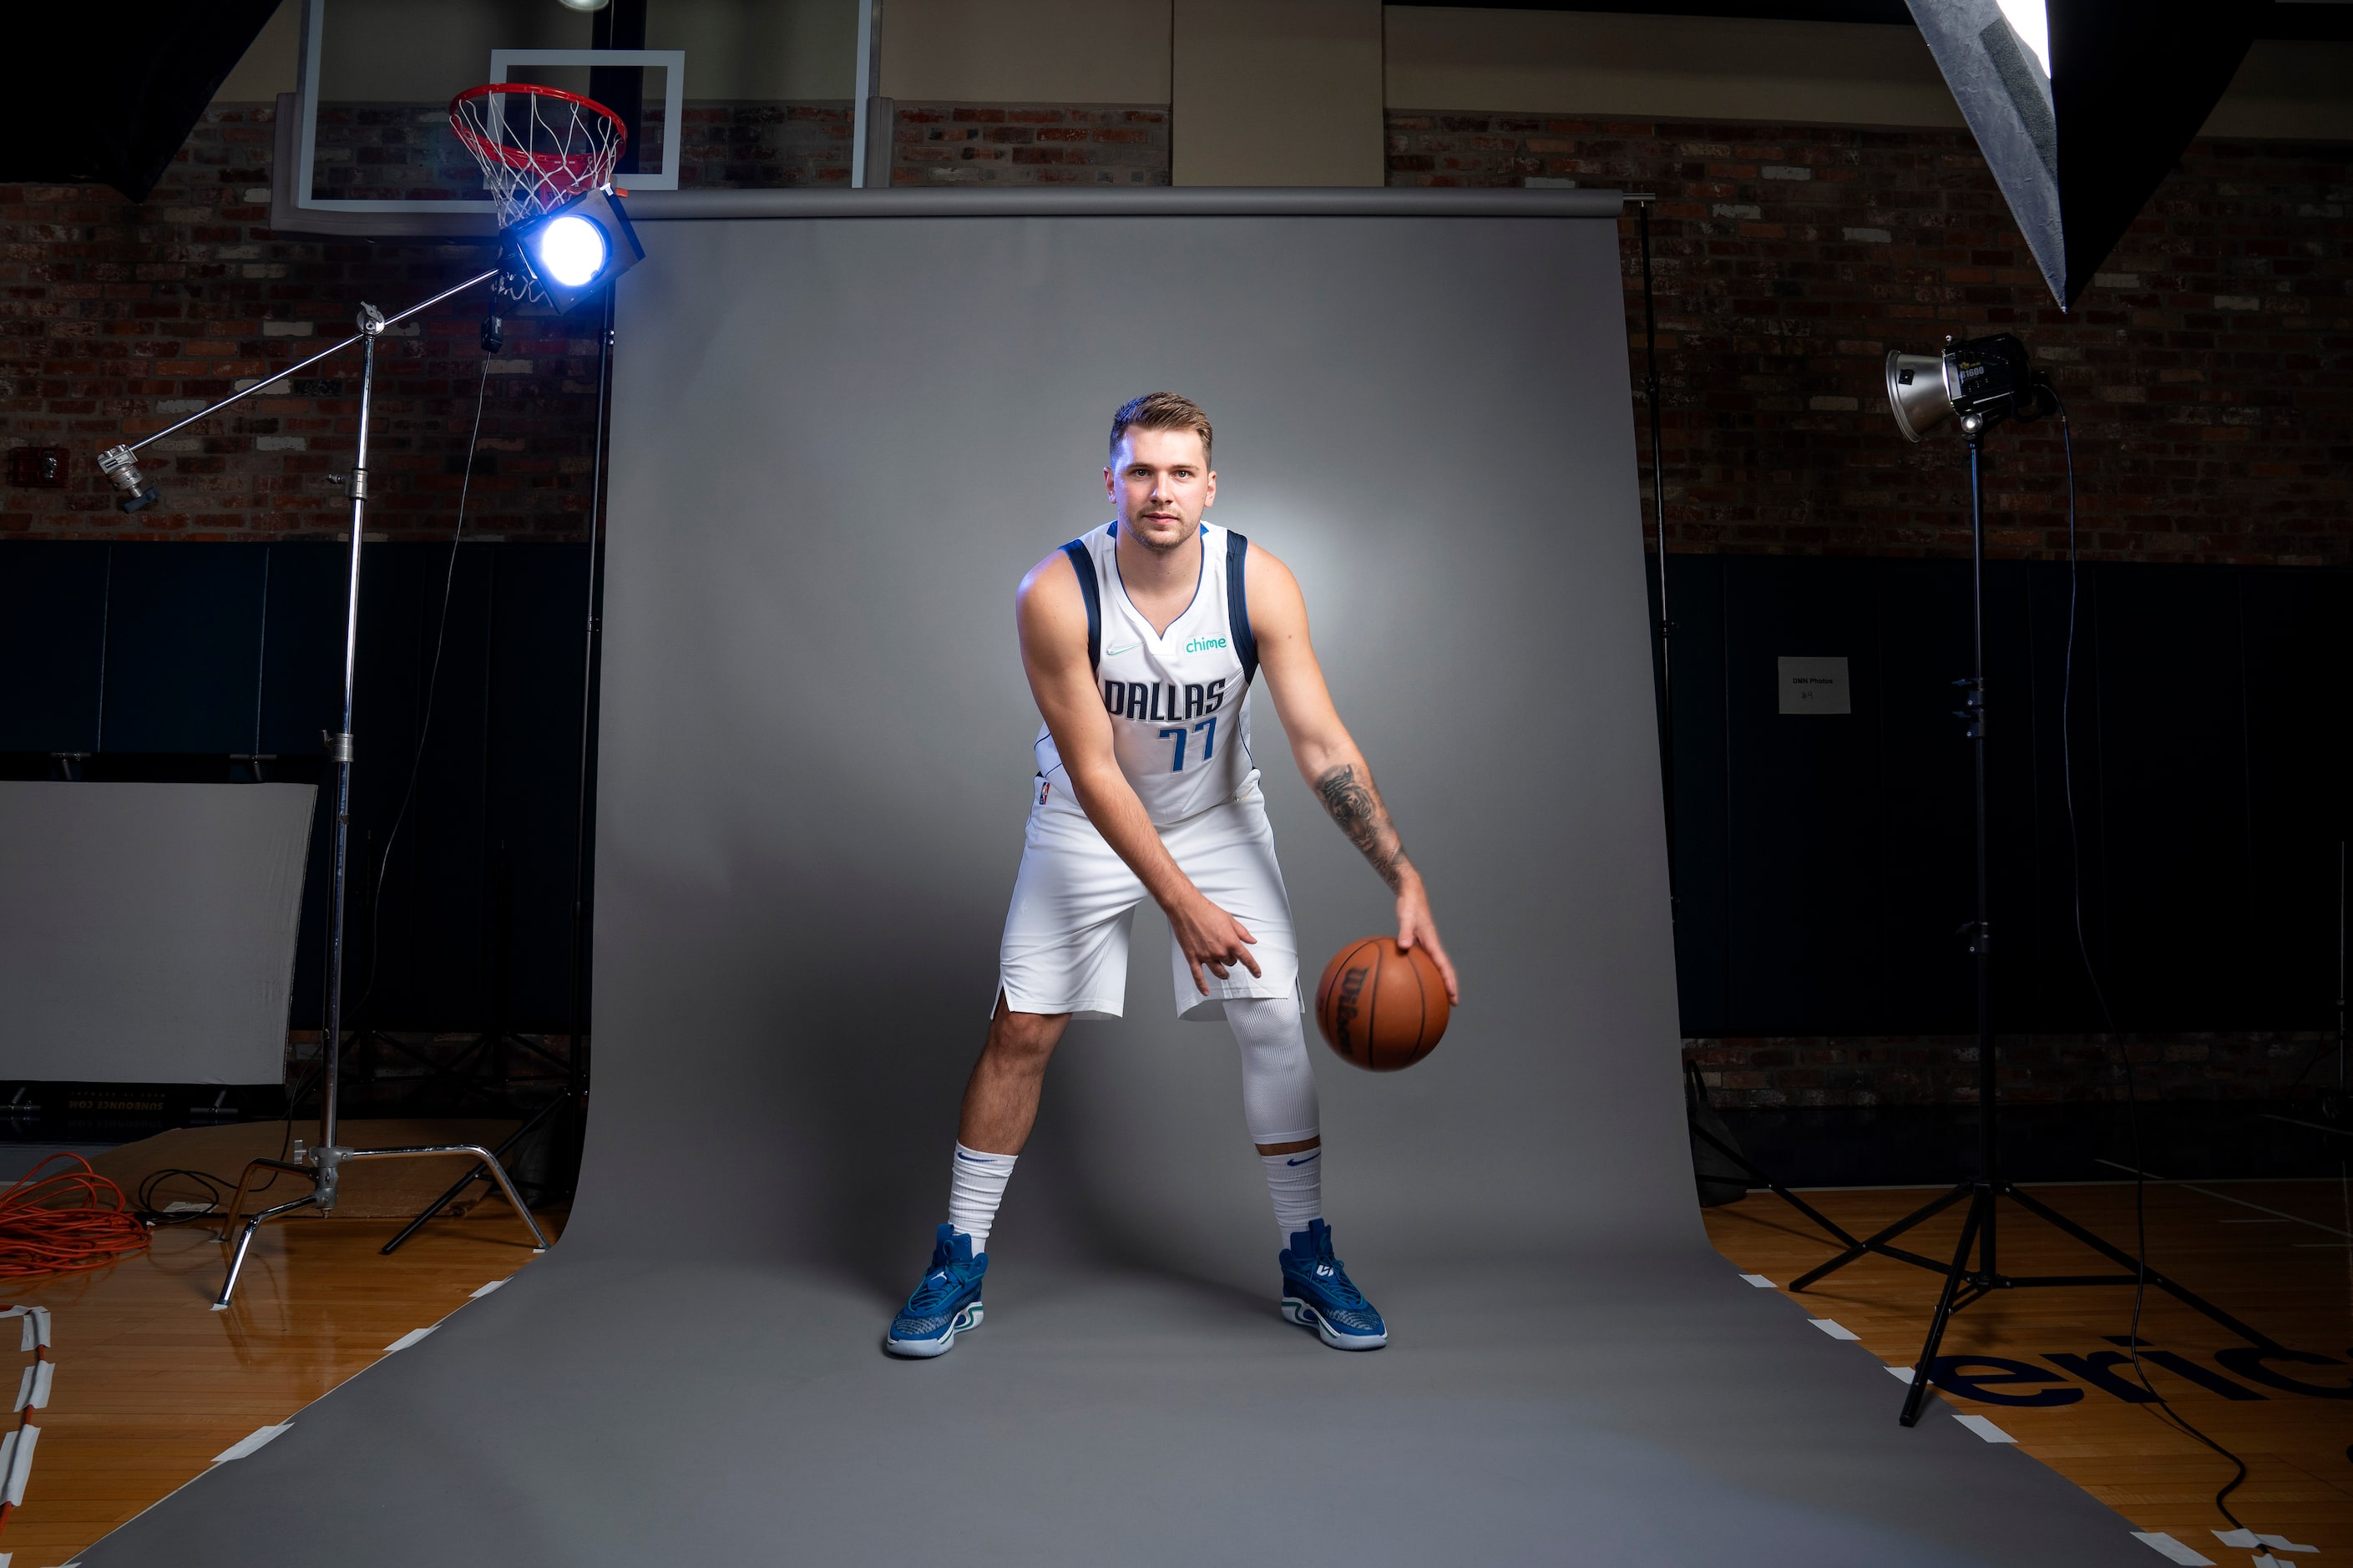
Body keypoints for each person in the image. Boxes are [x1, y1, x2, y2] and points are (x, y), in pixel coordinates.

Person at [885, 392, 1460, 1358]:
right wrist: (1181, 904)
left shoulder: (1258, 582)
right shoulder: (1056, 591)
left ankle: (1307, 1257)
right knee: (1020, 1027)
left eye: (1180, 473)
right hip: (1082, 818)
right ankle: (958, 1256)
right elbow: (1095, 770)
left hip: (1217, 818)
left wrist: (1401, 872)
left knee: (1274, 1015)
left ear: (1209, 485)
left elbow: (1319, 743)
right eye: (1141, 471)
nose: (1161, 491)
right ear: (1109, 479)